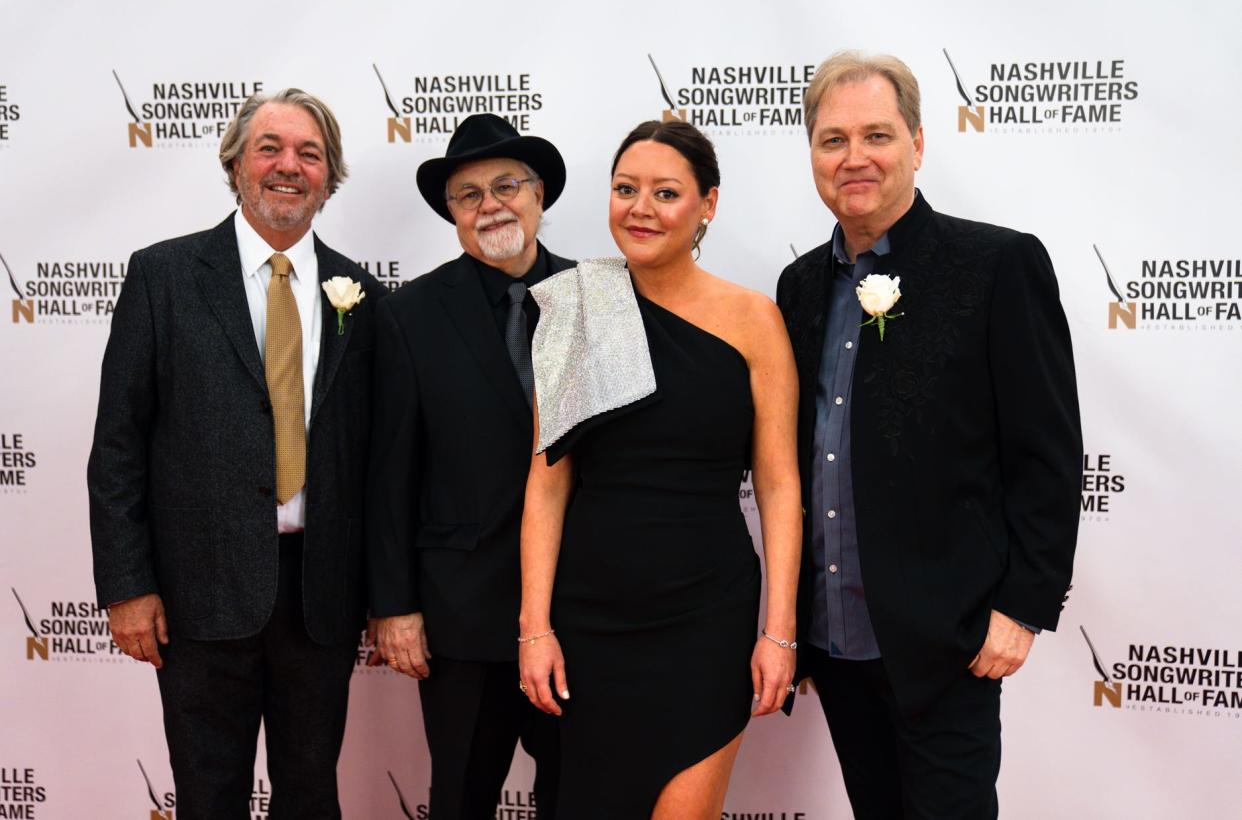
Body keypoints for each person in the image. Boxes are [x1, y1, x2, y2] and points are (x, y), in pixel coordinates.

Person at [777, 51, 1082, 819]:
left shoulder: (997, 264)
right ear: (811, 153)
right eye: (832, 140)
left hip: (949, 644)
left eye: (876, 135)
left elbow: (1046, 454)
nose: (854, 158)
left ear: (918, 142)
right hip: (837, 643)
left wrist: (1023, 609)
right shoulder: (801, 286)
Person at [87, 88, 386, 819]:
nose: (290, 166)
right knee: (208, 796)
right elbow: (119, 443)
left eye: (309, 154)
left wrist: (386, 596)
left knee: (312, 795)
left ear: (329, 175)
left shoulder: (363, 295)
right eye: (271, 148)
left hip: (320, 595)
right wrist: (127, 585)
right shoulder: (164, 276)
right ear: (236, 164)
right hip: (198, 594)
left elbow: (375, 458)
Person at [518, 120, 801, 819]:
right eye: (625, 189)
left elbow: (779, 483)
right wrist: (534, 627)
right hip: (591, 618)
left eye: (665, 192)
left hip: (707, 617)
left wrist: (780, 630)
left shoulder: (753, 319)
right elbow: (548, 483)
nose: (640, 208)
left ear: (708, 204)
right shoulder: (577, 306)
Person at [366, 113, 571, 820]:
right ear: (452, 214)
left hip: (581, 610)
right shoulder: (410, 314)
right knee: (459, 798)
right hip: (460, 615)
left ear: (538, 194)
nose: (490, 205)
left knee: (582, 797)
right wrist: (394, 606)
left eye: (506, 185)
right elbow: (388, 472)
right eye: (468, 194)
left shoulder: (596, 297)